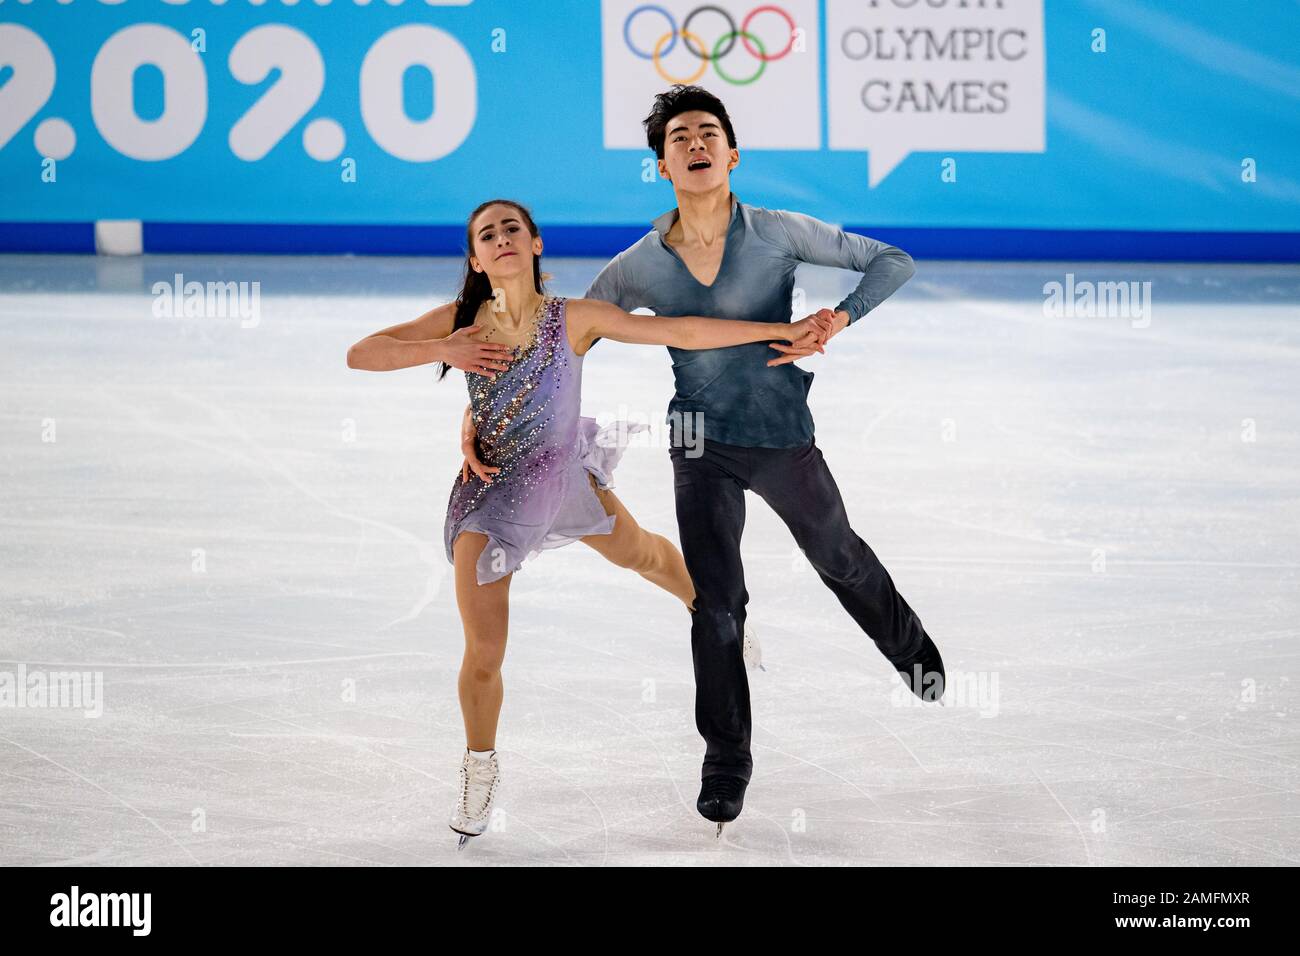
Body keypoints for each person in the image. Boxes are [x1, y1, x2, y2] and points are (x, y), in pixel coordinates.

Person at [462, 86, 947, 835]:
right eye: (680, 136)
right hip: (697, 446)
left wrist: (836, 317)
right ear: (662, 164)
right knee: (716, 604)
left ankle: (910, 649)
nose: (695, 143)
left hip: (782, 436)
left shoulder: (780, 231)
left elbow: (893, 260)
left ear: (731, 154)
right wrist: (480, 409)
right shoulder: (642, 264)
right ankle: (725, 763)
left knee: (839, 558)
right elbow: (560, 344)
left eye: (708, 132)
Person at [346, 197, 832, 847]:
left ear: (537, 243)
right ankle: (480, 765)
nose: (501, 239)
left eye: (511, 228)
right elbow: (362, 354)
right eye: (487, 235)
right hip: (491, 501)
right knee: (485, 651)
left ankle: (721, 624)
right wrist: (445, 349)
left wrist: (779, 334)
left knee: (647, 556)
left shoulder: (572, 319)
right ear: (475, 257)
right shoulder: (460, 323)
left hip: (562, 479)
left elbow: (682, 330)